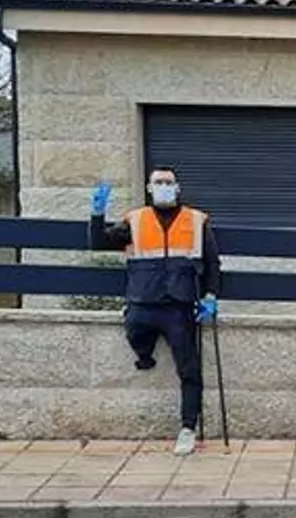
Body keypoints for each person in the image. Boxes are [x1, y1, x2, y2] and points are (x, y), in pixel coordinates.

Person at [88, 168, 221, 456]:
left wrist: (210, 296)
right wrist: (97, 214)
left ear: (177, 187)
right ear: (149, 188)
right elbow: (98, 243)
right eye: (158, 182)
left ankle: (188, 428)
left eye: (168, 182)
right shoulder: (135, 220)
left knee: (189, 369)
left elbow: (212, 262)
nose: (163, 186)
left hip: (179, 306)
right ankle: (145, 356)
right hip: (143, 301)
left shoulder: (196, 220)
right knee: (135, 332)